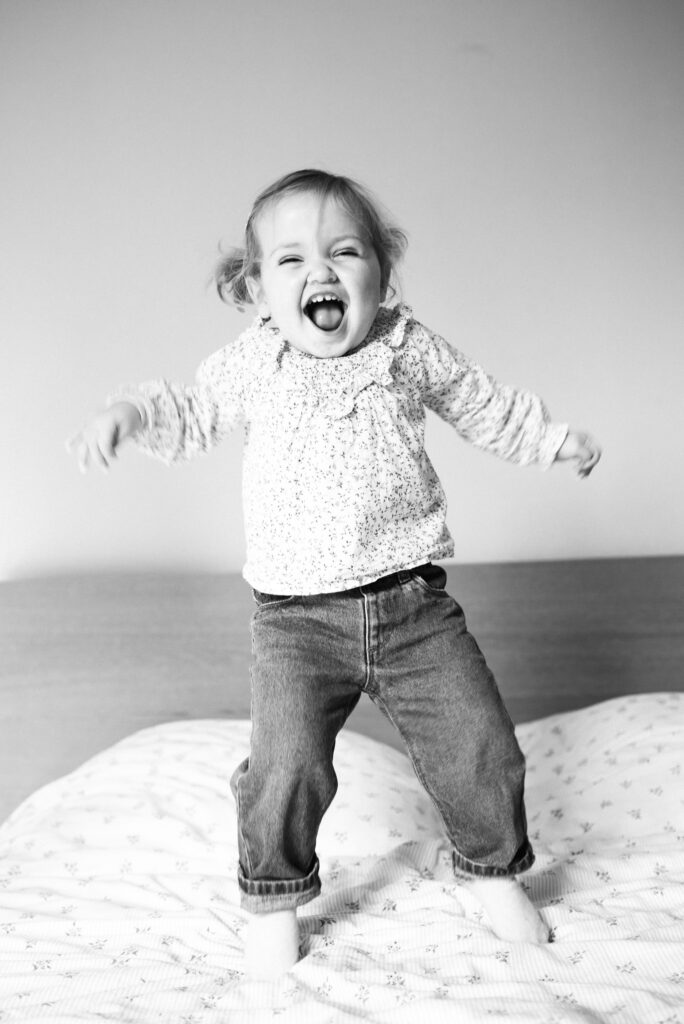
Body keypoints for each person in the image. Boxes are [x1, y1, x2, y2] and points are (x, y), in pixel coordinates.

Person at [68, 169, 601, 979]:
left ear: (380, 274)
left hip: (413, 607)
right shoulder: (256, 361)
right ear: (256, 291)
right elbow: (191, 407)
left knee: (481, 745)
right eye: (290, 261)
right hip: (295, 623)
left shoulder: (406, 347)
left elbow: (481, 401)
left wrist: (551, 439)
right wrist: (131, 414)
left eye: (344, 251)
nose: (320, 272)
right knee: (284, 766)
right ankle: (273, 899)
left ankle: (491, 869)